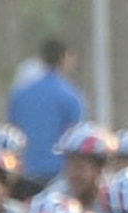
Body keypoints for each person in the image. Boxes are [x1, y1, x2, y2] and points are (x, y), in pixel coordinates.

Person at [9, 41, 87, 191]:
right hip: (58, 177)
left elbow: (11, 132)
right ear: (65, 58)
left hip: (23, 176)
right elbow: (76, 140)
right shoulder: (71, 96)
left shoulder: (20, 95)